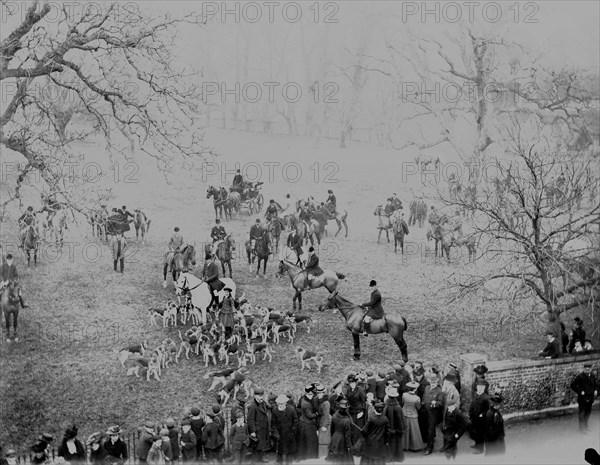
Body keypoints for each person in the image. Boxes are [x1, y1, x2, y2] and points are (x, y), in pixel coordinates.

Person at [271, 393, 299, 465]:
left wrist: (292, 430)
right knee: (280, 453)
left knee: (289, 453)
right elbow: (273, 424)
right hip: (279, 436)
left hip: (289, 435)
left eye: (282, 403)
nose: (280, 405)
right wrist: (276, 434)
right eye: (279, 403)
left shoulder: (291, 409)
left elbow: (296, 421)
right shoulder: (275, 410)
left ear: (285, 403)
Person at [571, 363, 598, 432]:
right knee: (582, 413)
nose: (587, 370)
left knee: (588, 412)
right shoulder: (580, 376)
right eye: (586, 369)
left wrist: (595, 390)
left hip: (590, 397)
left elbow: (595, 384)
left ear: (591, 369)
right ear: (584, 369)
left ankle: (586, 426)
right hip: (583, 398)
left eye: (589, 369)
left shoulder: (592, 376)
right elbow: (573, 385)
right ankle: (582, 428)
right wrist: (580, 392)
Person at [360, 401, 389, 465]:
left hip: (370, 442)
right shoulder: (385, 419)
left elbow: (364, 430)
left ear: (375, 409)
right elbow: (387, 432)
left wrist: (364, 434)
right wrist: (386, 441)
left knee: (368, 458)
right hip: (380, 442)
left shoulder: (371, 418)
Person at [247, 387, 270, 463]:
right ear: (255, 396)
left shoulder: (262, 403)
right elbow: (250, 420)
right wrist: (252, 431)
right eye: (259, 396)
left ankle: (261, 458)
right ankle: (254, 461)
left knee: (262, 444)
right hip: (257, 429)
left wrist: (265, 401)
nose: (261, 397)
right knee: (256, 445)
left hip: (263, 428)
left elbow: (269, 407)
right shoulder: (252, 406)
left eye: (262, 395)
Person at [422, 372, 443, 455]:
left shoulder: (439, 391)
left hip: (433, 413)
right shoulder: (427, 388)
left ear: (437, 382)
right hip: (425, 412)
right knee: (426, 428)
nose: (433, 384)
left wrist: (436, 403)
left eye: (434, 382)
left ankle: (430, 448)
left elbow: (441, 403)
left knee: (431, 430)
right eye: (432, 382)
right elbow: (424, 397)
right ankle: (429, 442)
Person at [383, 383, 405, 463]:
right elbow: (400, 419)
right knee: (398, 443)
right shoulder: (398, 407)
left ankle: (388, 458)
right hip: (397, 430)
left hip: (388, 430)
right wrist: (401, 429)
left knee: (388, 443)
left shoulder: (386, 405)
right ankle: (398, 458)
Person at [297, 384, 319, 461]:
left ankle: (304, 457)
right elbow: (310, 415)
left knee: (303, 443)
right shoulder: (306, 404)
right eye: (310, 394)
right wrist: (316, 414)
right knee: (311, 443)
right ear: (307, 393)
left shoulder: (303, 399)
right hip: (308, 425)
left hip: (303, 423)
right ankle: (310, 458)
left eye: (312, 394)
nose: (312, 396)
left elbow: (298, 407)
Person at [327, 398, 353, 464]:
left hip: (335, 438)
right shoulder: (347, 420)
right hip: (342, 442)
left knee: (335, 459)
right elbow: (347, 435)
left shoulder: (334, 416)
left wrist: (333, 438)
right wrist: (349, 446)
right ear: (346, 408)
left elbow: (331, 430)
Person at [468, 380, 490, 454]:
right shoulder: (476, 395)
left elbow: (488, 410)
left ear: (484, 388)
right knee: (476, 432)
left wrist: (482, 414)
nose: (479, 388)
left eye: (481, 387)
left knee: (480, 433)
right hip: (475, 417)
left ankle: (481, 449)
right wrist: (470, 412)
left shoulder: (486, 398)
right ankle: (477, 444)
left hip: (481, 419)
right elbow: (473, 404)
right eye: (478, 387)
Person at [402, 381, 424, 452]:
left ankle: (404, 446)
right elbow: (418, 408)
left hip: (405, 413)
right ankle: (415, 447)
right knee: (414, 431)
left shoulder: (404, 395)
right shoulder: (416, 398)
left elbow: (403, 402)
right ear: (415, 389)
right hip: (413, 415)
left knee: (405, 431)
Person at [317, 385, 332, 458]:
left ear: (323, 393)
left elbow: (326, 415)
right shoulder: (321, 401)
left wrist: (324, 425)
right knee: (321, 441)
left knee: (324, 441)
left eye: (320, 393)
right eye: (318, 393)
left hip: (324, 423)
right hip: (322, 421)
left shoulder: (325, 403)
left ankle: (324, 456)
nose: (319, 395)